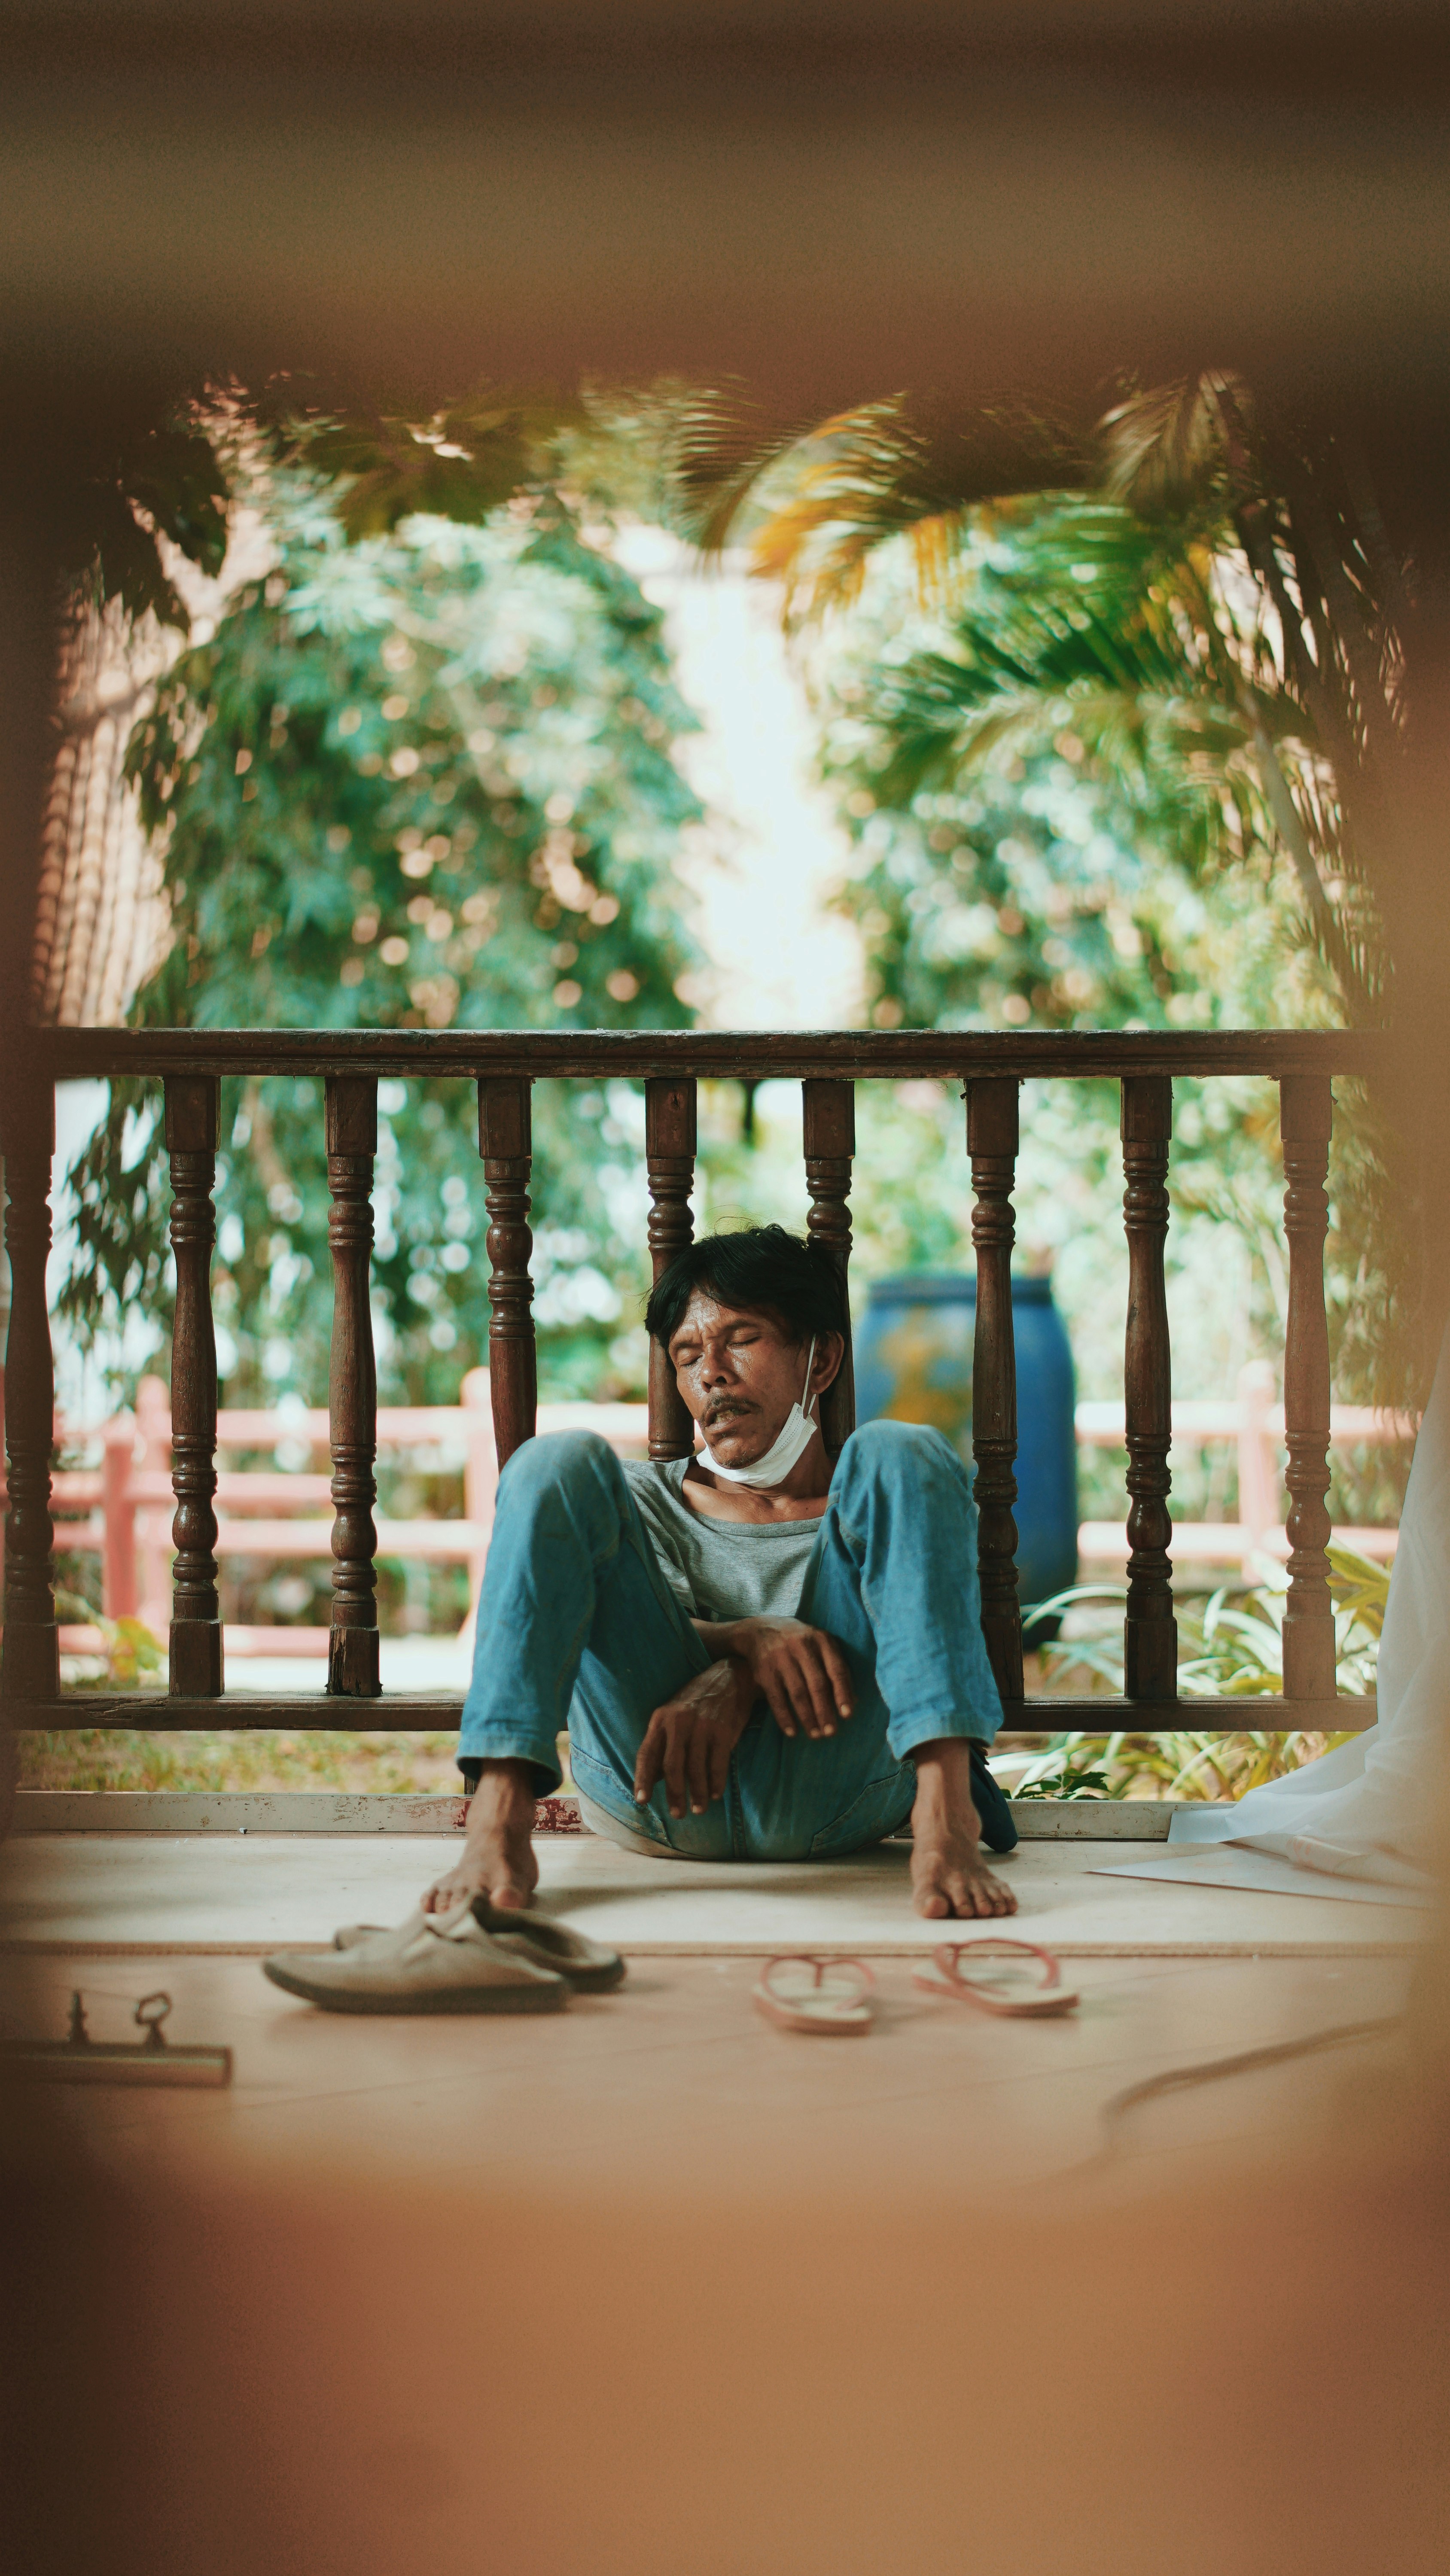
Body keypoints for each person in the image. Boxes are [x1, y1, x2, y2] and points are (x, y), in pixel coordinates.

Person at [426, 1225, 1018, 1923]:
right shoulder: (628, 1503)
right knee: (552, 1461)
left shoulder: (877, 1505)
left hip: (838, 1788)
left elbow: (920, 1627)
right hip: (650, 1778)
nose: (711, 1372)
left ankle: (948, 1824)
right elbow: (593, 1630)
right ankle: (496, 1824)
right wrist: (746, 1640)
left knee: (904, 1448)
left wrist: (740, 1671)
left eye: (740, 1338)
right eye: (686, 1354)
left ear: (820, 1360)